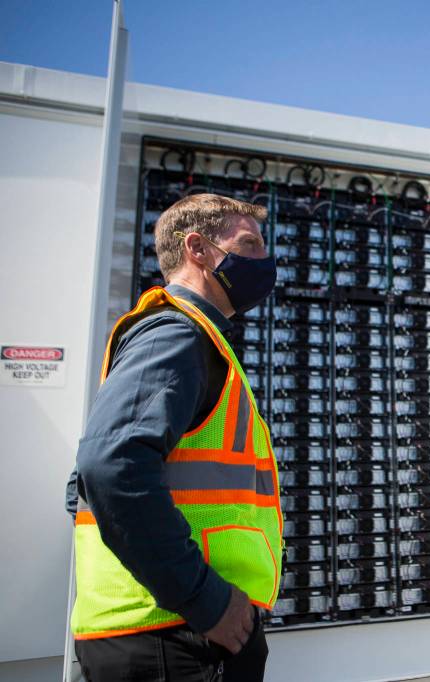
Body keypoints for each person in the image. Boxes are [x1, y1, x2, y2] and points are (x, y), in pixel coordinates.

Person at [65, 194, 282, 681]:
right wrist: (206, 602)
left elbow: (82, 482)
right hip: (177, 635)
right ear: (198, 249)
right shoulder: (176, 334)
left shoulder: (194, 336)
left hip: (175, 629)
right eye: (248, 244)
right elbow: (109, 467)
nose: (263, 260)